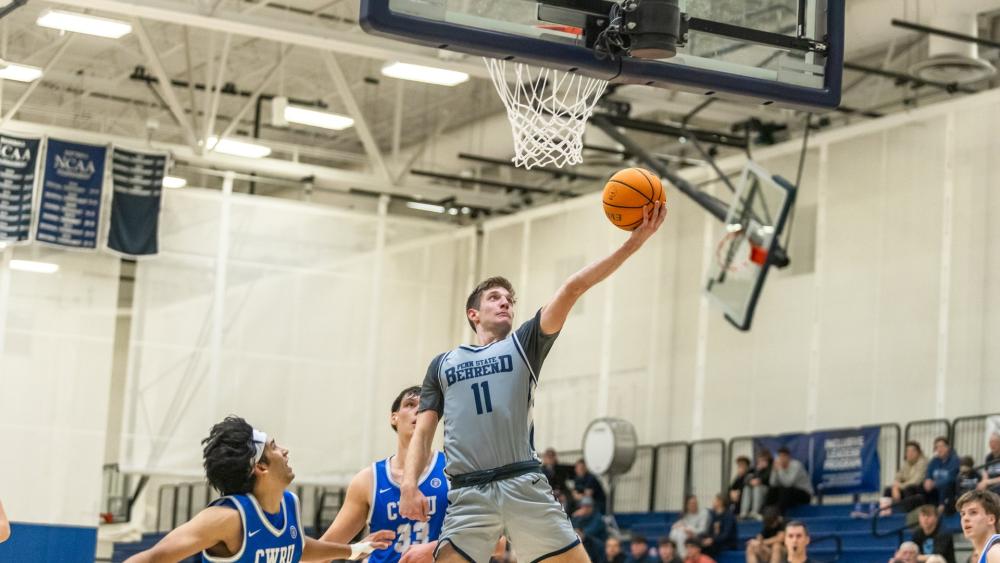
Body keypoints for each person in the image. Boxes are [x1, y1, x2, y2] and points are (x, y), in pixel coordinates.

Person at [400, 202, 666, 563]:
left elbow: (572, 288)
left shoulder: (524, 343)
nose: (505, 303)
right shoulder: (443, 364)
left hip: (523, 484)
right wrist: (409, 483)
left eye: (510, 300)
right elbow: (423, 433)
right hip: (469, 492)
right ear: (473, 314)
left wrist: (633, 243)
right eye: (495, 298)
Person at [125, 416, 393, 562]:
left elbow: (296, 547)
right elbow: (153, 558)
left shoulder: (289, 504)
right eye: (274, 447)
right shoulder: (228, 518)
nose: (284, 450)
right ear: (261, 467)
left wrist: (352, 550)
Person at [319, 386, 447, 563]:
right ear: (394, 417)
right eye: (410, 404)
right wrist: (353, 550)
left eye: (425, 405)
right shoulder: (368, 480)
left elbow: (486, 539)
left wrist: (436, 549)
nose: (418, 410)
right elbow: (320, 552)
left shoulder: (451, 469)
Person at [955, 489, 1000, 563]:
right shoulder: (988, 552)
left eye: (973, 512)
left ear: (991, 519)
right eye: (963, 514)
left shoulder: (995, 552)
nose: (965, 518)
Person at [884, 442, 929, 514]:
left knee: (909, 489)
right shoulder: (907, 463)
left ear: (919, 452)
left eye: (913, 451)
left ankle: (906, 514)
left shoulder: (923, 463)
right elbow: (898, 476)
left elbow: (915, 481)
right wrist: (895, 487)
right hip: (906, 487)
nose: (910, 453)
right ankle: (886, 513)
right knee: (888, 490)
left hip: (919, 490)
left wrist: (898, 486)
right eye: (907, 451)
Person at [765, 448, 813, 515]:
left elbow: (788, 483)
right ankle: (766, 513)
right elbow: (772, 483)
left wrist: (780, 469)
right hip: (788, 495)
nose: (781, 459)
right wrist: (774, 471)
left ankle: (779, 514)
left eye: (783, 456)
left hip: (804, 494)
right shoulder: (777, 465)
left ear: (788, 457)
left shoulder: (796, 465)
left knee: (785, 490)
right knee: (772, 490)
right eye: (779, 456)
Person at [924, 437, 960, 513]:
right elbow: (928, 472)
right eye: (937, 447)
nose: (939, 449)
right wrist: (928, 479)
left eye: (942, 446)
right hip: (934, 489)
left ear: (948, 447)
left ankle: (941, 506)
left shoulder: (955, 460)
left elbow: (951, 477)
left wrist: (935, 483)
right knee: (920, 487)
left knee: (946, 485)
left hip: (948, 490)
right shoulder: (934, 460)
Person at [573, 498, 608, 563]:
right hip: (585, 543)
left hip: (598, 544)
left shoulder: (598, 517)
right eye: (583, 506)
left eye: (588, 506)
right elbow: (574, 529)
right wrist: (575, 517)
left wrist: (577, 518)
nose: (585, 508)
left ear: (592, 507)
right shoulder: (579, 516)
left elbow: (588, 532)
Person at [741, 451, 773, 520]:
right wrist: (751, 481)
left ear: (767, 461)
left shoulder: (771, 468)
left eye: (763, 460)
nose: (761, 462)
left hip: (768, 490)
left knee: (757, 487)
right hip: (756, 489)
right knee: (747, 488)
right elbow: (746, 479)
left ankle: (755, 511)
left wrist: (759, 479)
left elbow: (767, 479)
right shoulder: (755, 469)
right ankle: (744, 512)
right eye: (759, 460)